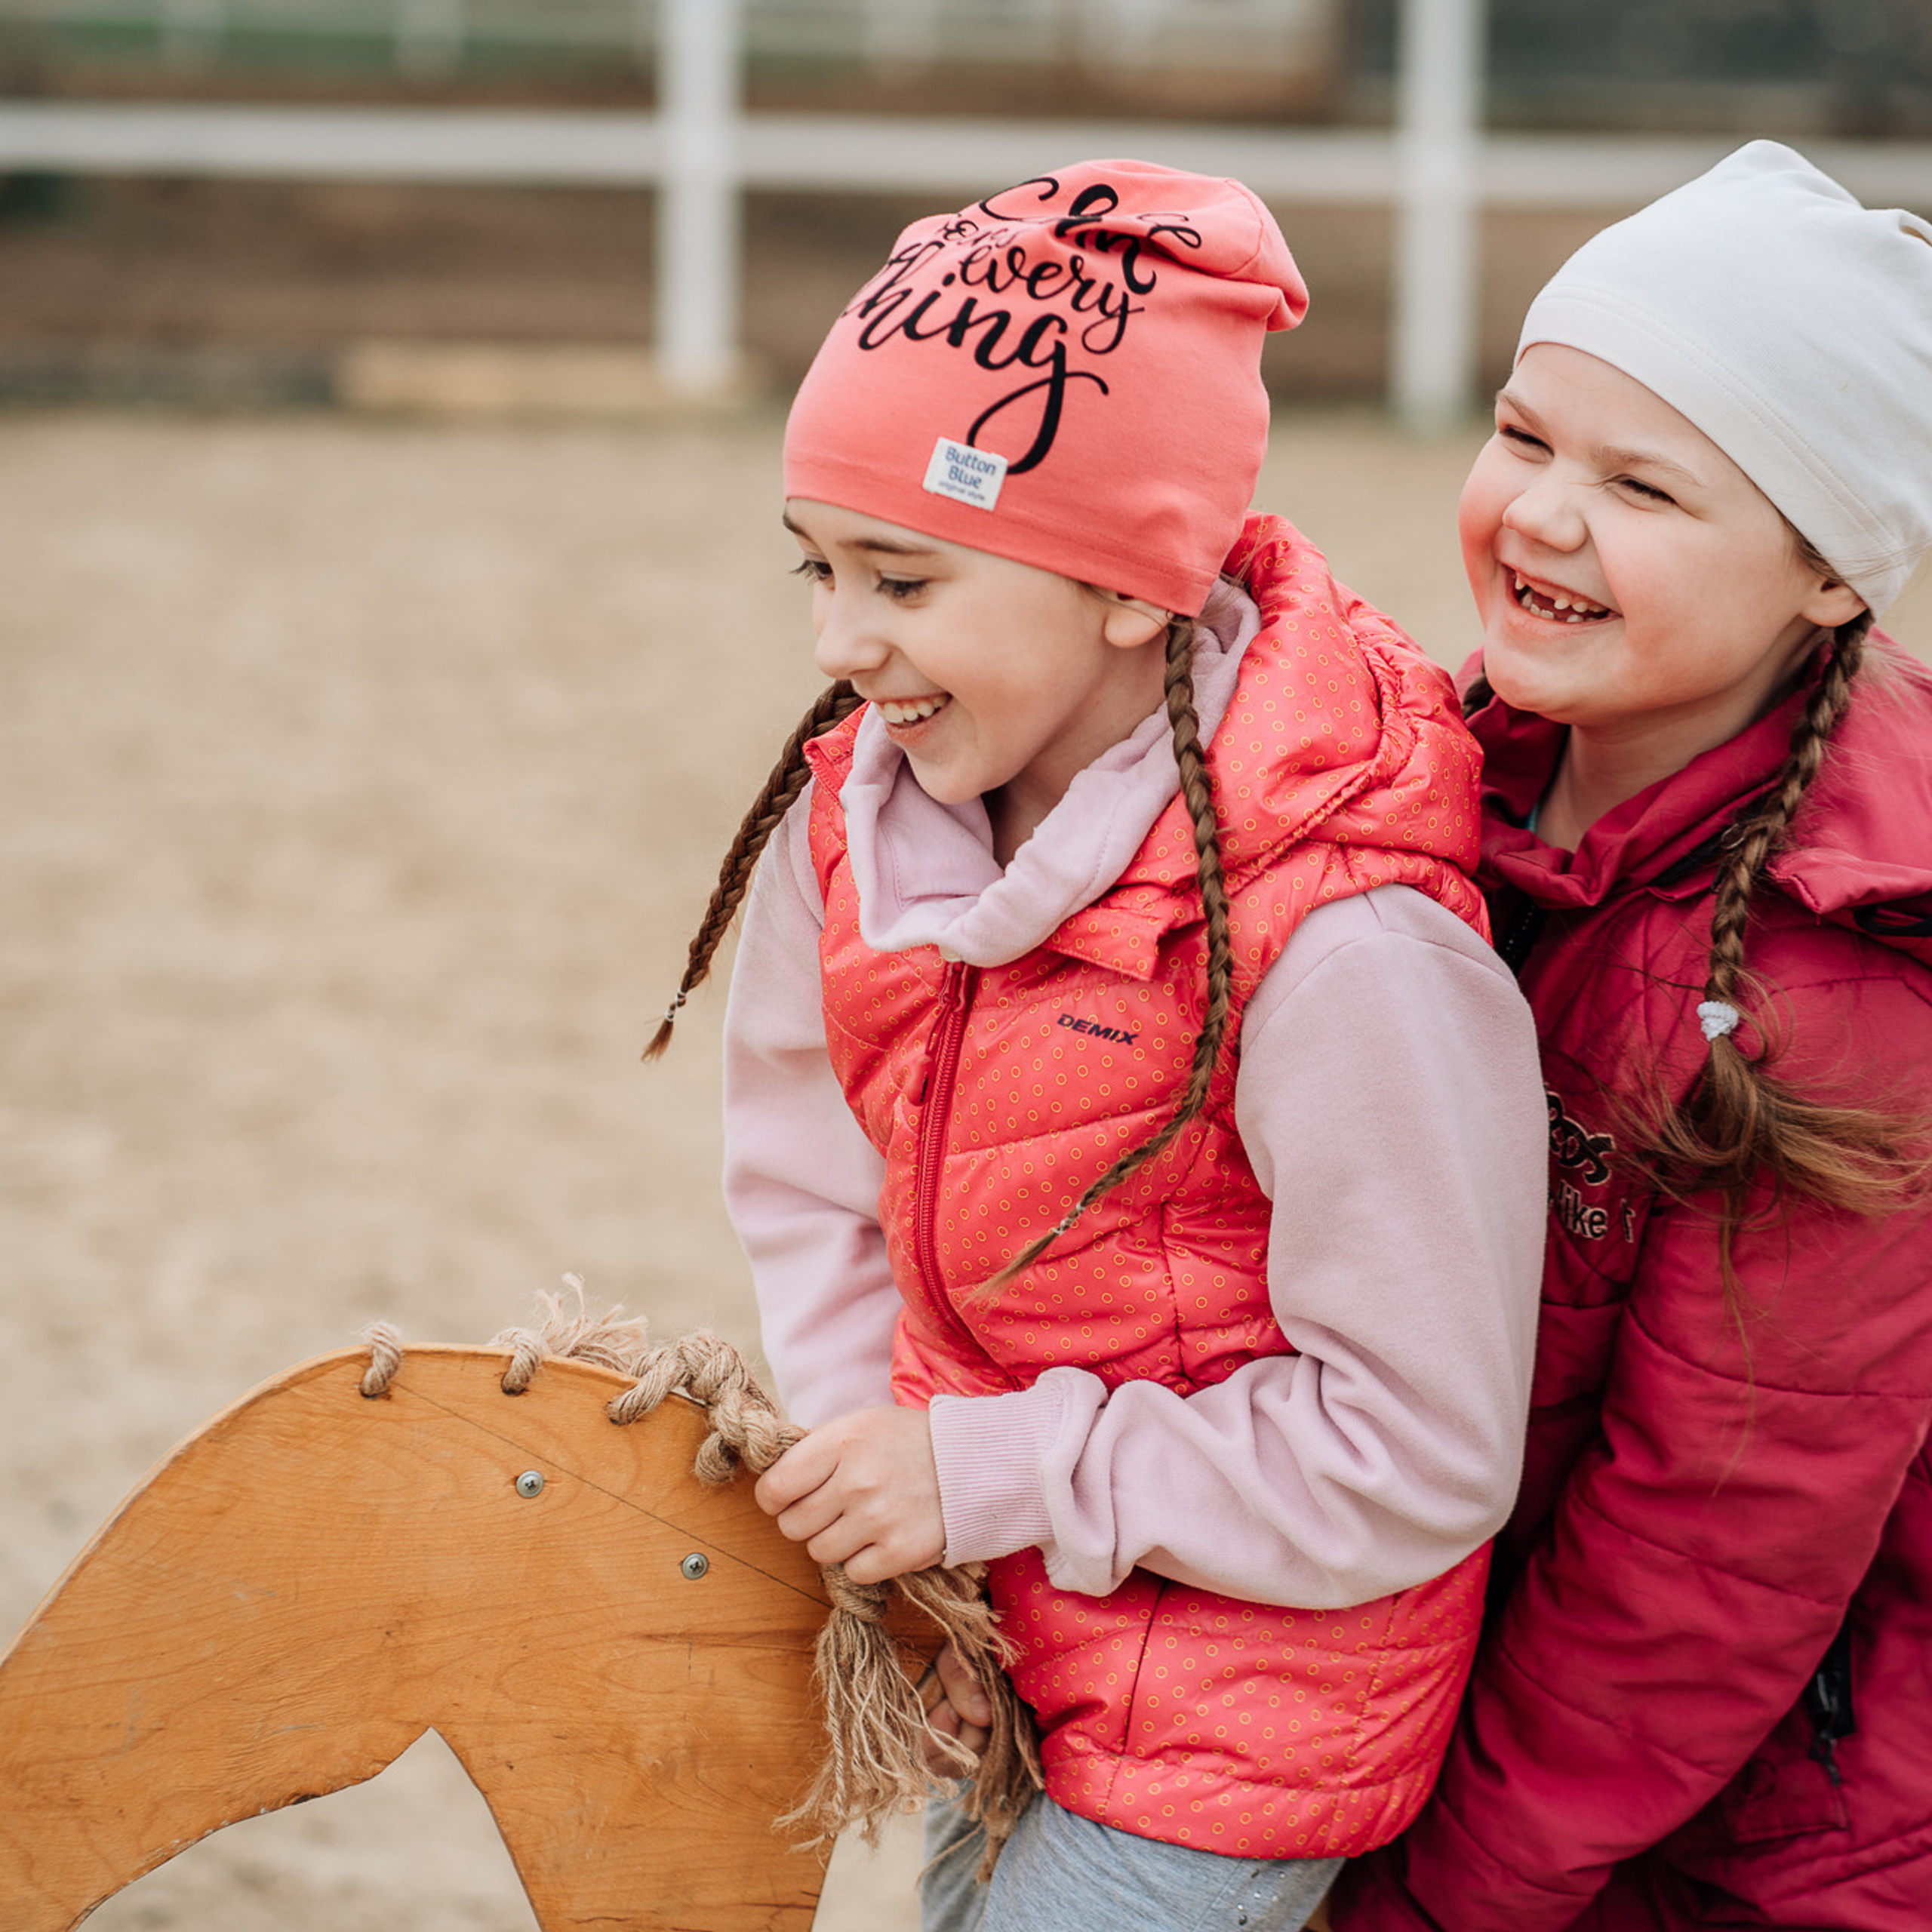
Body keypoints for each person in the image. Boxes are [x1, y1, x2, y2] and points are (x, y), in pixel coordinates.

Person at [651, 160, 1548, 1932]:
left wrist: (978, 1475)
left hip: (1238, 1721)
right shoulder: (859, 828)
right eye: (818, 569)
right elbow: (811, 1181)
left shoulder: (1343, 941)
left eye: (901, 577)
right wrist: (907, 1546)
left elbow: (1423, 1446)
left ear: (1130, 586)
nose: (839, 648)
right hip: (998, 1633)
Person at [1332, 142, 1932, 1932]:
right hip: (1458, 1720)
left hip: (1750, 1841)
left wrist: (1443, 1898)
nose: (1539, 516)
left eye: (1644, 487)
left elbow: (1705, 1554)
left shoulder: (1836, 995)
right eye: (1521, 436)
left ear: (1826, 577)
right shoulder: (1410, 783)